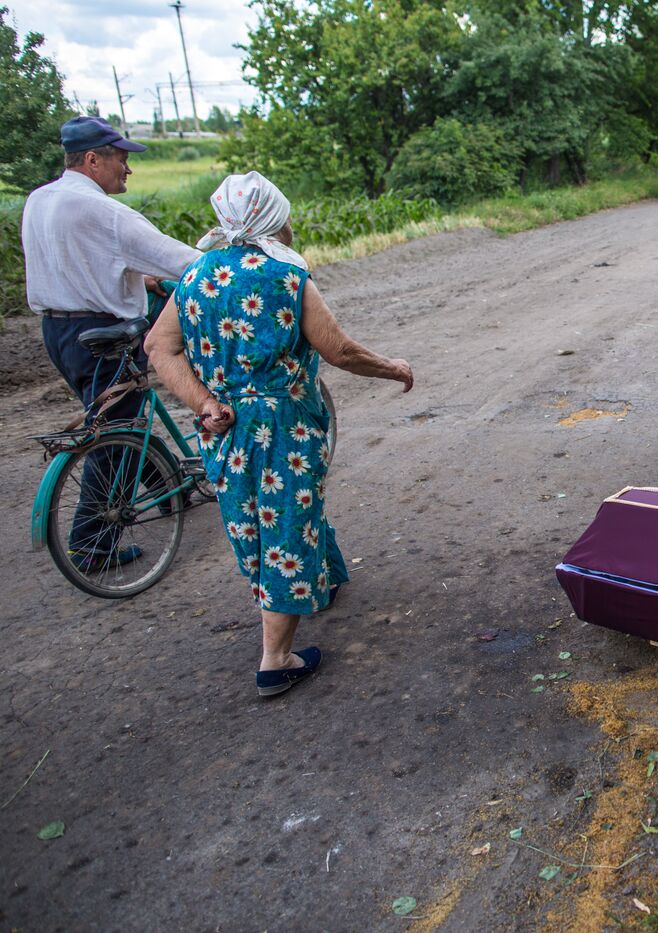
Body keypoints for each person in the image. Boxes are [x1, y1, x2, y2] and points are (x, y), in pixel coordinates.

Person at [145, 172, 414, 697]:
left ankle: (327, 579)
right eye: (284, 216)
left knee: (255, 519)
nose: (291, 226)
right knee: (287, 527)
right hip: (281, 428)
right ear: (270, 220)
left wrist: (204, 402)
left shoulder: (196, 275)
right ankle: (276, 659)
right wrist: (394, 367)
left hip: (221, 428)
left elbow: (160, 347)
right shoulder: (285, 276)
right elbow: (339, 350)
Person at [22, 116, 200, 570]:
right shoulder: (105, 211)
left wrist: (142, 279)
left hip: (58, 332)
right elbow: (182, 260)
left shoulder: (39, 200)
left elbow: (75, 262)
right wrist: (235, 269)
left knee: (119, 414)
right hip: (105, 330)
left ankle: (167, 492)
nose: (128, 168)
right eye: (121, 158)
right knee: (115, 434)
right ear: (92, 159)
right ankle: (92, 543)